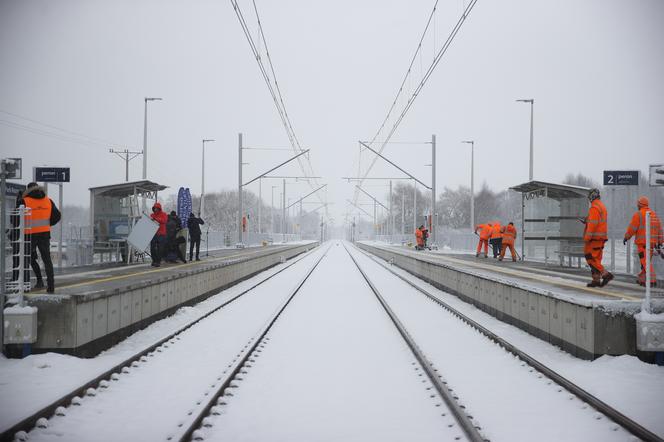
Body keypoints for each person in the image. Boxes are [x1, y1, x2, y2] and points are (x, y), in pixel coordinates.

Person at [13, 182, 61, 293]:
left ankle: (25, 287)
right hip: (44, 234)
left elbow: (14, 219)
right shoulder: (48, 201)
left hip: (29, 234)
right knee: (47, 260)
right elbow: (57, 216)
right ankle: (51, 287)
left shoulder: (24, 201)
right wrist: (48, 223)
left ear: (28, 190)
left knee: (25, 260)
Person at [623, 196, 663, 287]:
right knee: (645, 262)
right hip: (652, 244)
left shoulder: (639, 214)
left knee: (646, 263)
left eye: (638, 204)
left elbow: (632, 228)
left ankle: (652, 281)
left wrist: (626, 237)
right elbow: (660, 230)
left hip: (643, 244)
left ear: (640, 205)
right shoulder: (653, 214)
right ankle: (642, 279)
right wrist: (660, 242)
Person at [582, 188, 613, 287]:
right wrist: (587, 220)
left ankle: (606, 274)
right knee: (596, 259)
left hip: (594, 238)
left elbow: (593, 224)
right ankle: (596, 280)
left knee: (590, 257)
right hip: (601, 237)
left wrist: (587, 237)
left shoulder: (594, 208)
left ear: (592, 196)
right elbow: (597, 222)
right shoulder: (601, 206)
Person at [150, 202, 168, 267]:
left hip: (161, 233)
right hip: (153, 233)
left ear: (159, 209)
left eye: (157, 208)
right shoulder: (152, 215)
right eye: (154, 208)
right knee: (152, 248)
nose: (155, 209)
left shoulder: (164, 214)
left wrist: (156, 219)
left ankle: (158, 261)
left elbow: (164, 221)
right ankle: (154, 260)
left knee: (160, 248)